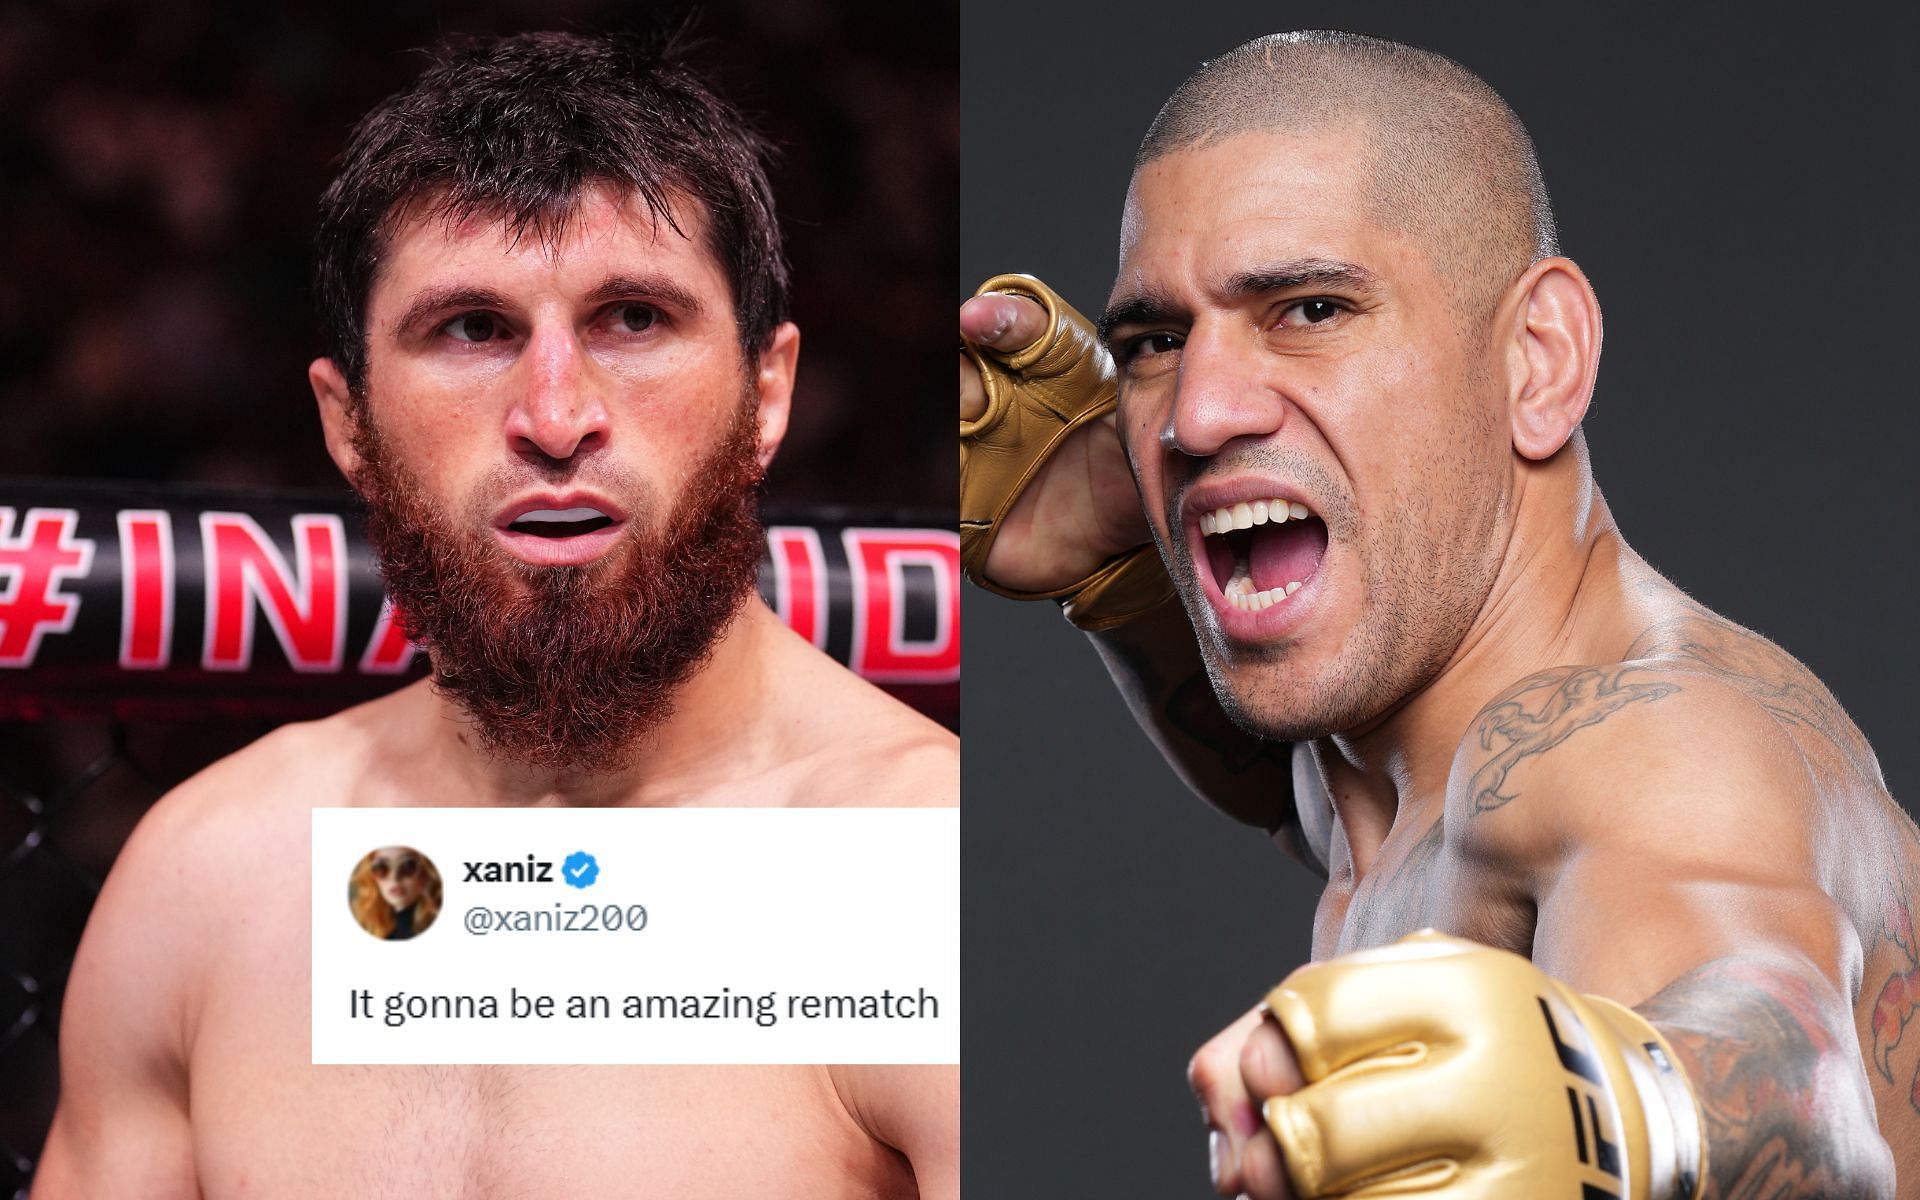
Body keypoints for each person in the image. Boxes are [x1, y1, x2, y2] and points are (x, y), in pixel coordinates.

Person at [961, 29, 1912, 1199]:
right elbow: (1317, 800)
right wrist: (1120, 568)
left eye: (1309, 309)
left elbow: (1809, 1100)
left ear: (1537, 360)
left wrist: (1625, 1108)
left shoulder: (1659, 746)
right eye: (1156, 341)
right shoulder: (1406, 755)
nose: (1195, 415)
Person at [36, 32, 957, 1199]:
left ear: (768, 391)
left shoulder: (938, 879)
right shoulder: (207, 879)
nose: (556, 416)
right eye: (472, 328)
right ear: (348, 422)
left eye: (632, 318)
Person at [348, 847, 443, 941]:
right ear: (372, 877)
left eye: (408, 866)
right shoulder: (385, 933)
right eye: (381, 867)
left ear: (426, 873)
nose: (394, 878)